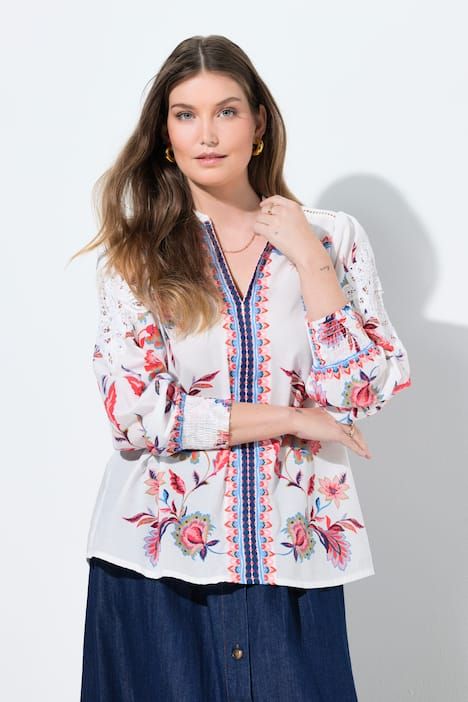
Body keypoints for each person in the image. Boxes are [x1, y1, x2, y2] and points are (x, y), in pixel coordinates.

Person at [73, 34, 412, 702]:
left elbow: (361, 390)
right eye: (185, 114)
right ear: (165, 135)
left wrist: (309, 260)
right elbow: (139, 416)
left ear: (258, 124)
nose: (207, 134)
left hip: (295, 560)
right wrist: (292, 418)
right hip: (156, 565)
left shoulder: (331, 237)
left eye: (226, 111)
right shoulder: (135, 256)